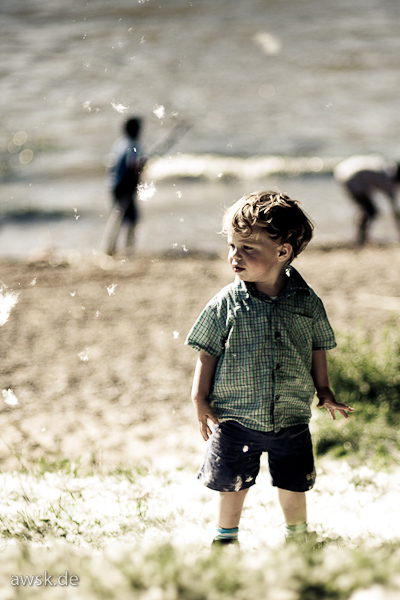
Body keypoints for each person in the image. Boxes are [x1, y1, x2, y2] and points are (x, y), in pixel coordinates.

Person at [185, 190, 354, 547]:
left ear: (283, 252)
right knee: (232, 483)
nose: (235, 256)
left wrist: (324, 392)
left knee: (293, 482)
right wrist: (199, 397)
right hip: (235, 418)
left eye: (247, 248)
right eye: (232, 246)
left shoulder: (306, 301)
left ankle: (297, 538)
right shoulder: (226, 303)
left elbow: (317, 347)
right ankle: (225, 538)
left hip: (291, 416)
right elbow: (207, 351)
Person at [102, 117, 146, 256]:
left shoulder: (120, 143)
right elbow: (132, 166)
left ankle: (110, 247)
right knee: (131, 218)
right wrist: (139, 172)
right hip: (124, 186)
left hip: (114, 184)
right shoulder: (133, 145)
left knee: (117, 216)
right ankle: (128, 249)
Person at [334, 155, 400, 245]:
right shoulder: (388, 181)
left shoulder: (383, 166)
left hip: (344, 171)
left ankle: (360, 236)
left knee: (366, 209)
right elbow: (394, 210)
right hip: (352, 179)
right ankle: (361, 237)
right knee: (371, 211)